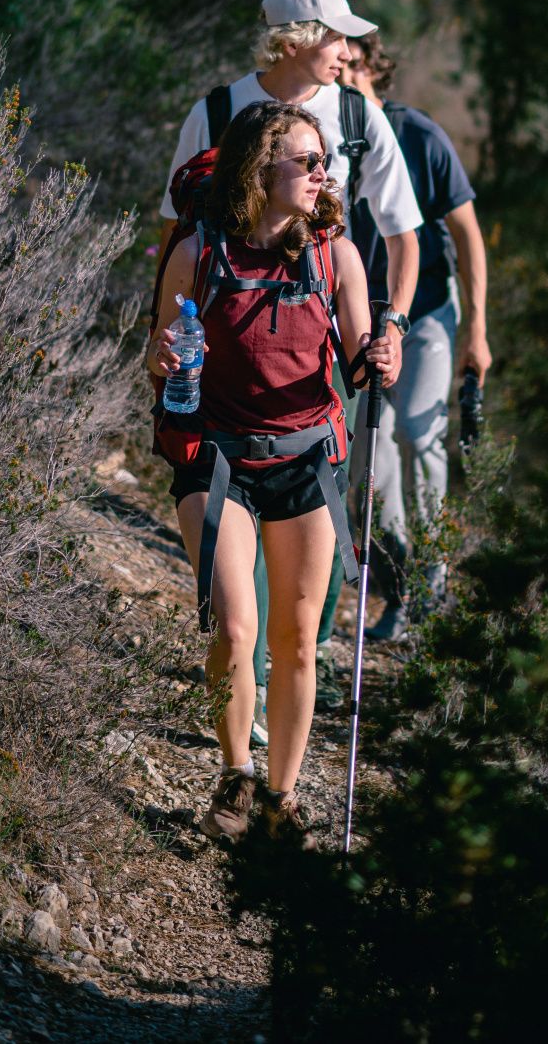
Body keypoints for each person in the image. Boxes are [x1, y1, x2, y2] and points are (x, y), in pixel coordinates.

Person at [159, 0, 422, 729]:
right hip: (224, 381)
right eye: (337, 36)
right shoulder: (214, 113)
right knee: (244, 589)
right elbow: (174, 234)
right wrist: (167, 337)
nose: (350, 50)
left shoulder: (359, 117)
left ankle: (287, 689)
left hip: (327, 357)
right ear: (296, 39)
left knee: (308, 573)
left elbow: (403, 233)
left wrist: (388, 327)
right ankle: (248, 699)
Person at [149, 101, 396, 842]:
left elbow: (359, 357)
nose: (322, 173)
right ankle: (235, 774)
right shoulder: (199, 253)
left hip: (301, 463)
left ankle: (280, 798)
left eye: (324, 161)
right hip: (216, 459)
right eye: (306, 160)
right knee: (233, 626)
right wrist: (164, 360)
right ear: (261, 167)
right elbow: (157, 353)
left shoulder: (335, 257)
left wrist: (382, 352)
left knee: (294, 637)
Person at [341, 33, 492, 641]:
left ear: (373, 68)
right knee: (366, 463)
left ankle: (433, 586)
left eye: (350, 64)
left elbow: (469, 234)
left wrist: (477, 328)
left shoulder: (420, 136)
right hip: (356, 317)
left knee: (417, 433)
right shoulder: (326, 136)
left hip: (427, 309)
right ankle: (401, 583)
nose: (339, 76)